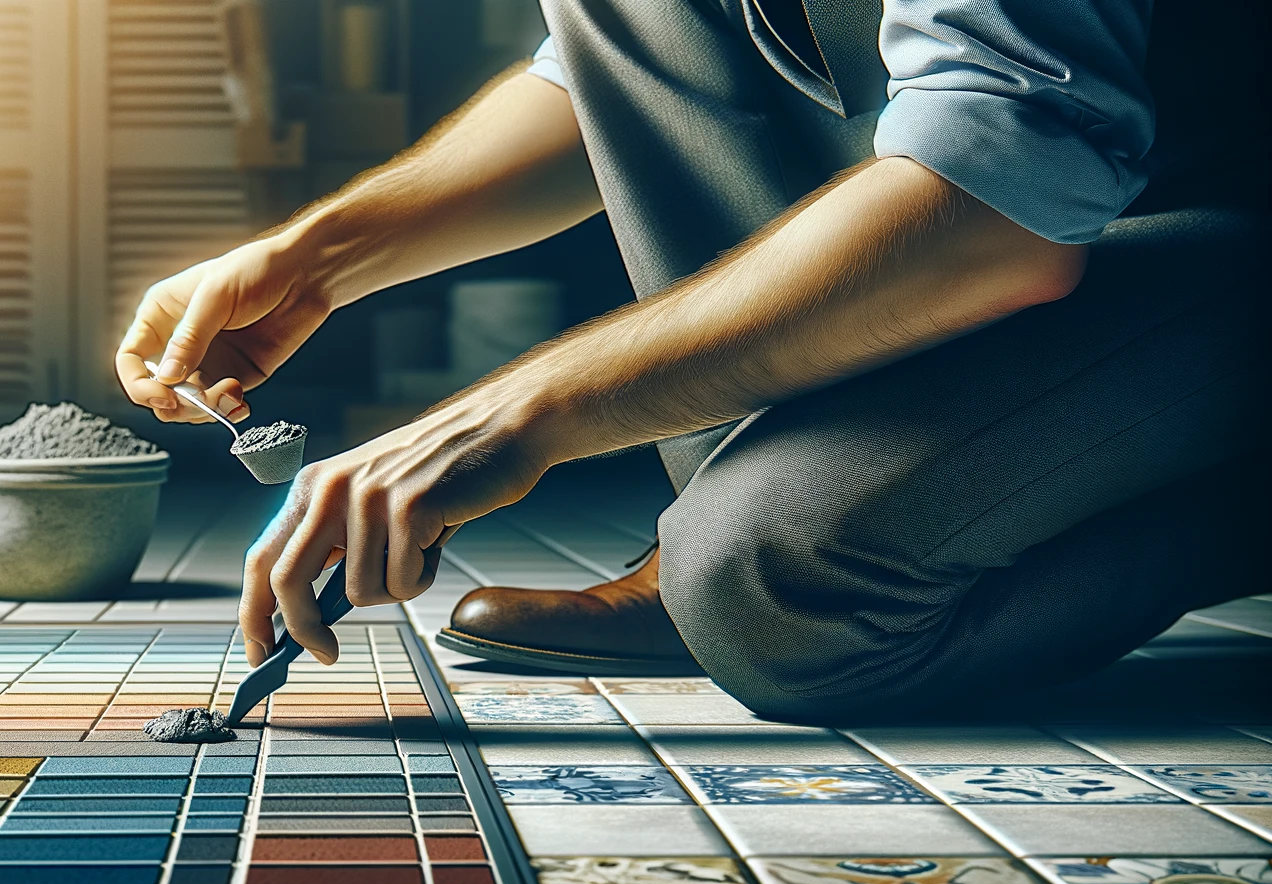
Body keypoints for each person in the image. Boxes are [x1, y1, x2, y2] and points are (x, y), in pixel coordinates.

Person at [116, 0, 1269, 722]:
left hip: (1217, 250)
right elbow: (605, 72)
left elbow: (994, 195)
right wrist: (310, 260)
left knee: (770, 595)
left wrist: (514, 413)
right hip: (1062, 244)